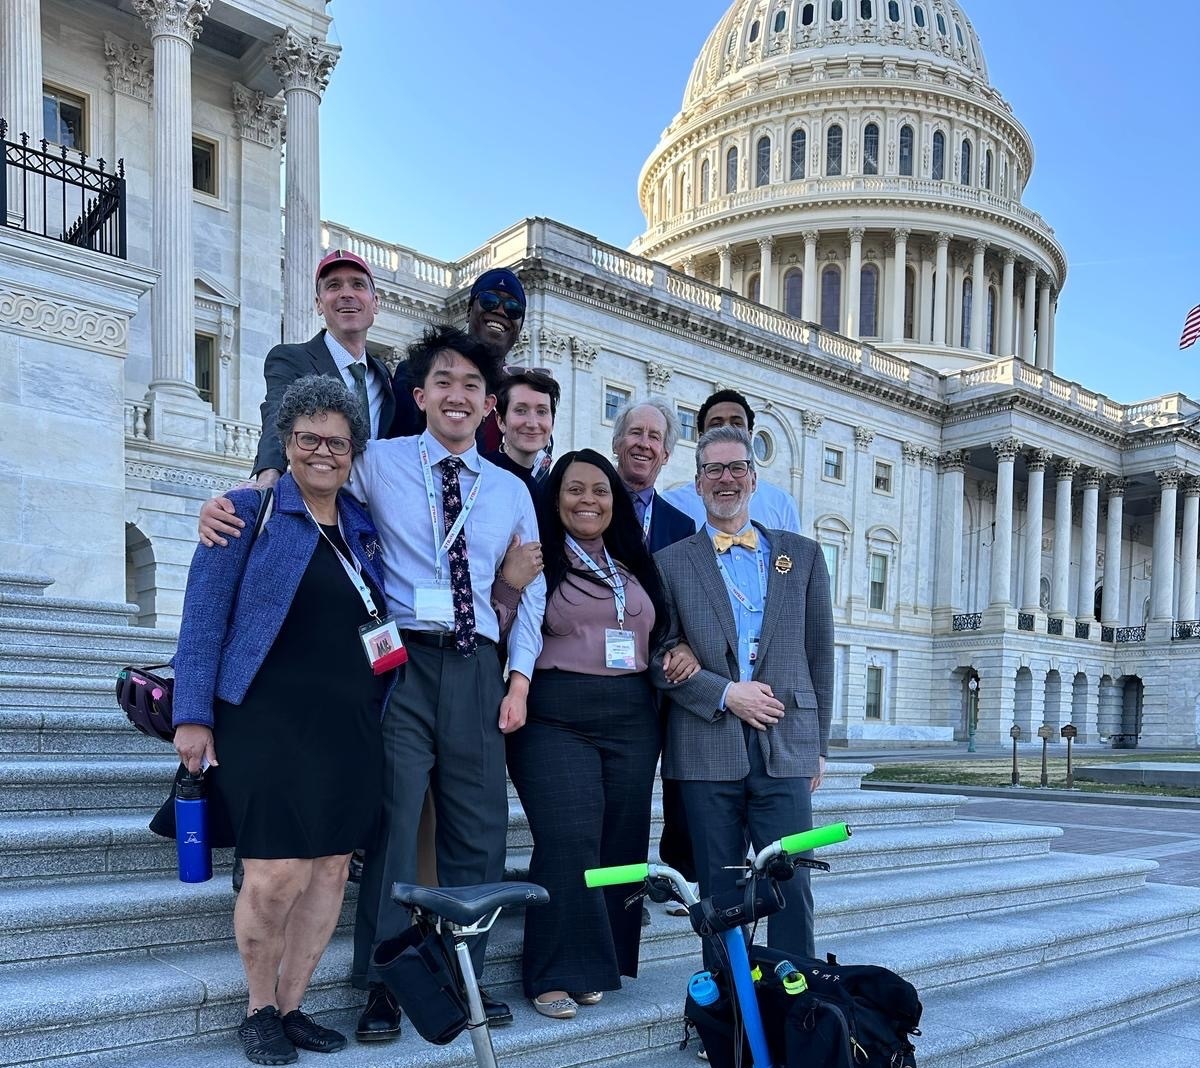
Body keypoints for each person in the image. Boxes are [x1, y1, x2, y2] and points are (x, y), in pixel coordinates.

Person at [171, 376, 394, 1065]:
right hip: (265, 718)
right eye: (308, 439)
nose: (323, 452)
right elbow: (202, 619)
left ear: (354, 451)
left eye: (337, 442)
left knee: (330, 871)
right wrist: (191, 717)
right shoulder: (247, 510)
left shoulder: (362, 526)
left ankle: (294, 1006)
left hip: (349, 723)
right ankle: (258, 1008)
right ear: (286, 443)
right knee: (274, 874)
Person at [349, 324, 546, 1042]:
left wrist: (518, 681)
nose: (456, 395)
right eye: (443, 382)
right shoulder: (379, 462)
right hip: (401, 662)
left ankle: (465, 975)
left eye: (471, 385)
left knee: (478, 831)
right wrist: (253, 490)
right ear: (420, 395)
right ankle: (384, 982)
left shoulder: (511, 490)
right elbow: (314, 490)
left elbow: (532, 593)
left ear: (489, 405)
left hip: (477, 667)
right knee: (397, 825)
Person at [504, 450, 696, 1019]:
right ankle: (551, 971)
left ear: (615, 501)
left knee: (620, 841)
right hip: (554, 712)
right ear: (555, 499)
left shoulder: (633, 563)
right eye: (575, 489)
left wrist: (681, 648)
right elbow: (498, 622)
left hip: (632, 715)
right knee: (569, 836)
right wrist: (509, 586)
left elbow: (661, 631)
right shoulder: (538, 557)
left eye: (600, 490)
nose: (588, 500)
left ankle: (595, 964)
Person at [650, 426, 834, 966]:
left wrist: (818, 745)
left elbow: (819, 655)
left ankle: (795, 998)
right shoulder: (670, 563)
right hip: (706, 746)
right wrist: (726, 693)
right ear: (698, 482)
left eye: (736, 468)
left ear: (753, 479)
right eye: (713, 469)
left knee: (792, 884)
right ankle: (728, 1001)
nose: (725, 479)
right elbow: (658, 657)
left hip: (786, 743)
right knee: (720, 889)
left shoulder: (802, 556)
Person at [250, 249, 395, 490]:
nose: (346, 294)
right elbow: (277, 413)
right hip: (319, 498)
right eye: (334, 286)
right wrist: (269, 474)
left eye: (358, 285)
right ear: (319, 304)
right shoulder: (290, 359)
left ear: (375, 302)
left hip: (376, 503)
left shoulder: (384, 376)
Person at [389, 267, 527, 442]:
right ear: (469, 312)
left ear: (520, 327)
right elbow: (398, 442)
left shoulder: (524, 394)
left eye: (513, 308)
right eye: (489, 300)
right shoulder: (416, 371)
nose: (500, 311)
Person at [663, 389, 801, 533]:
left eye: (736, 424)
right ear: (701, 438)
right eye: (716, 425)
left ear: (749, 435)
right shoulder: (672, 505)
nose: (727, 430)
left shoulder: (782, 504)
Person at [611, 398, 696, 552]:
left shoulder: (682, 529)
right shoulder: (590, 504)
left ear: (665, 455)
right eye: (636, 432)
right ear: (616, 444)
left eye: (654, 436)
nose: (644, 444)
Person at [483, 368, 560, 497]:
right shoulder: (478, 475)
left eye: (541, 412)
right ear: (500, 421)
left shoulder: (539, 492)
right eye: (520, 410)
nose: (532, 424)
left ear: (552, 422)